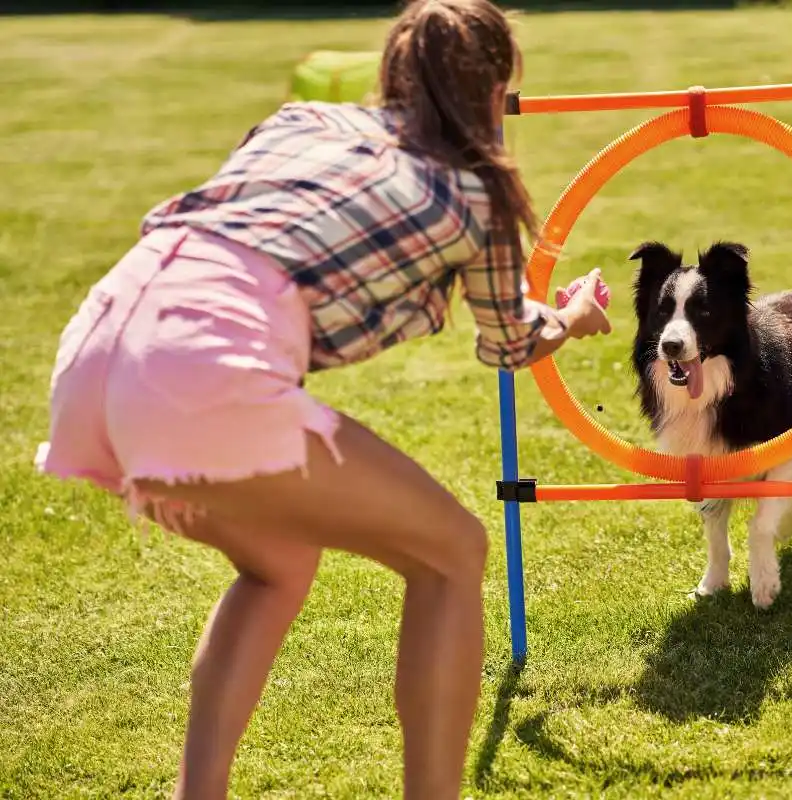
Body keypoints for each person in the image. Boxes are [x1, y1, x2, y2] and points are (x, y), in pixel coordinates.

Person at [34, 1, 611, 797]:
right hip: (196, 366)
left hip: (100, 339)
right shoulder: (478, 191)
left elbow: (252, 233)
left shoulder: (302, 120)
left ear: (391, 71)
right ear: (494, 88)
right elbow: (511, 343)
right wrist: (574, 319)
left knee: (277, 562)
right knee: (452, 553)